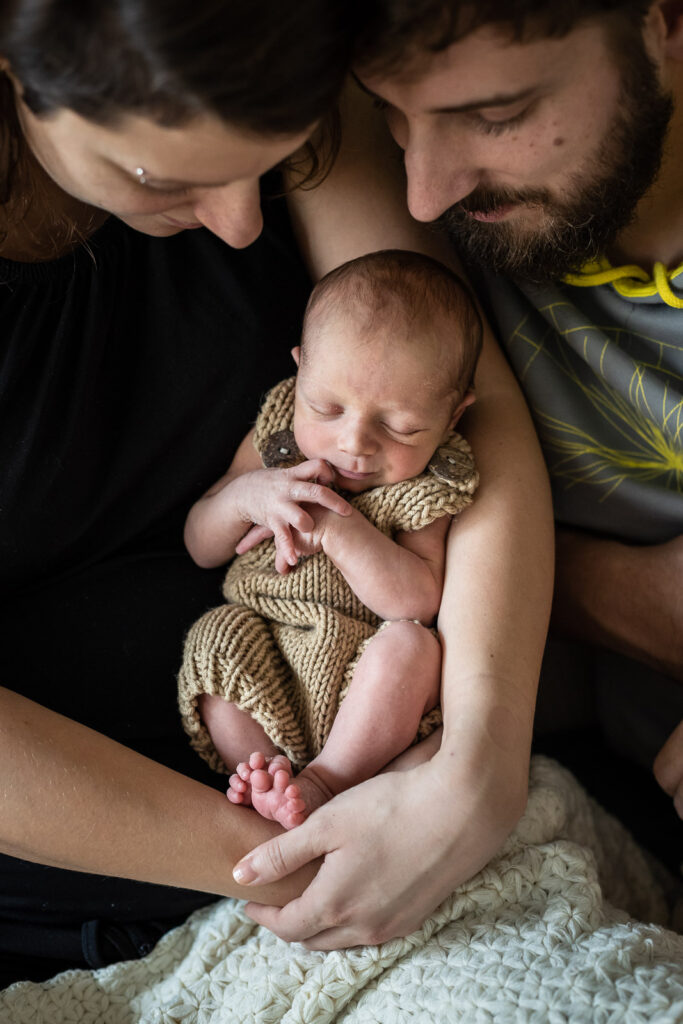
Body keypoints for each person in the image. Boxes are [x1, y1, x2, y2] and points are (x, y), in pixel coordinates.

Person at [0, 0, 554, 987]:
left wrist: (478, 765)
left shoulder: (267, 53)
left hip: (394, 778)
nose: (242, 222)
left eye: (276, 159)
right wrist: (280, 859)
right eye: (167, 178)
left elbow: (469, 411)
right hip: (114, 865)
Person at [351, 0, 683, 856]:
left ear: (665, 22)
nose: (426, 190)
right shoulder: (401, 209)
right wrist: (619, 593)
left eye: (494, 118)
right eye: (389, 110)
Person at [178, 249, 481, 829]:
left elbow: (418, 599)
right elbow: (200, 544)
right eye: (327, 406)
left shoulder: (431, 480)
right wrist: (245, 498)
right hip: (268, 645)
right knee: (212, 637)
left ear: (453, 414)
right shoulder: (279, 438)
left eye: (400, 426)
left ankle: (326, 782)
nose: (355, 443)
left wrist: (342, 530)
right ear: (300, 374)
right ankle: (266, 780)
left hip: (364, 682)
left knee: (413, 649)